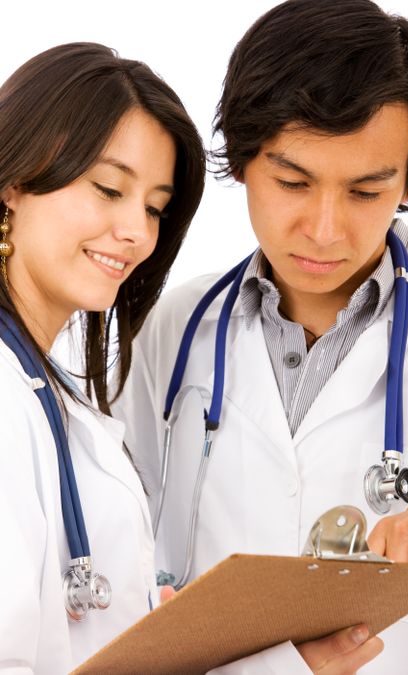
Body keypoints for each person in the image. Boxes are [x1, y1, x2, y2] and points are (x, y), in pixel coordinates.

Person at [0, 40, 375, 675]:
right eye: (109, 189)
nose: (138, 233)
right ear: (12, 182)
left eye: (154, 207)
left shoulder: (46, 389)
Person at [114, 1, 408, 673]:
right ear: (240, 161)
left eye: (364, 191)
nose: (325, 229)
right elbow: (118, 564)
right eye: (292, 181)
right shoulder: (172, 332)